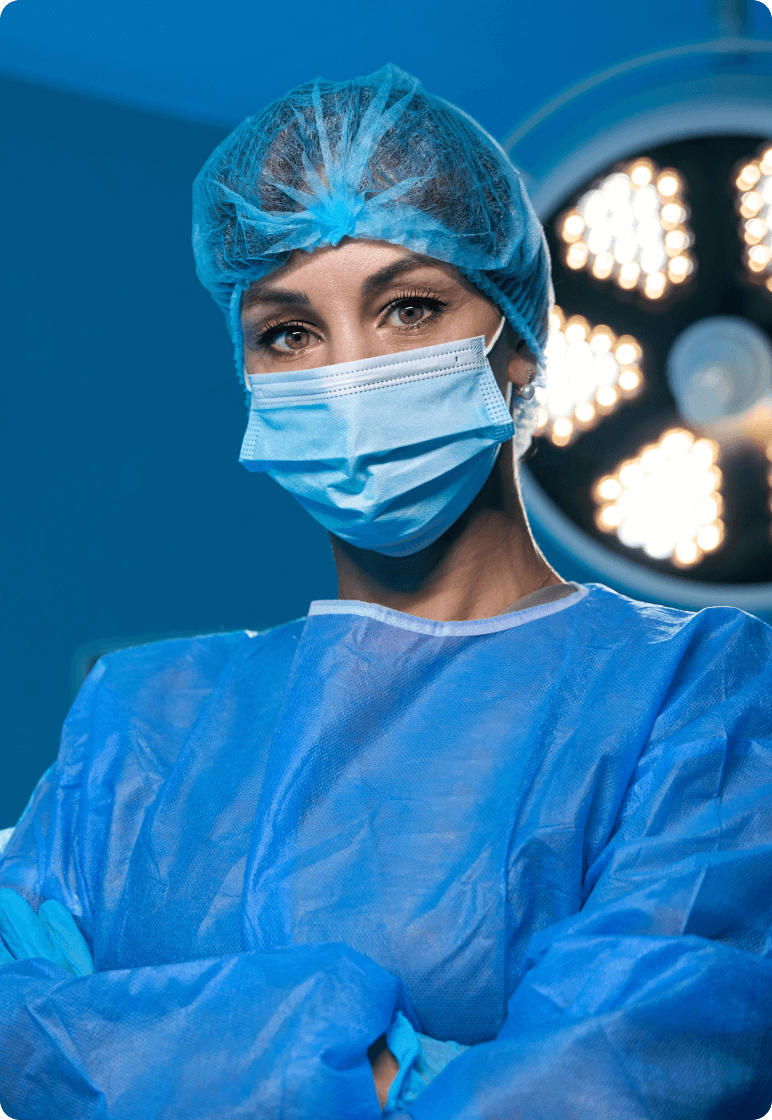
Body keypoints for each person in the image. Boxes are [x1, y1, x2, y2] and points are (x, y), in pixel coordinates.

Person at [1, 64, 771, 1120]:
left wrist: (183, 1051)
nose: (348, 373)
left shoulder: (694, 691)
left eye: (409, 308)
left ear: (518, 343)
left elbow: (622, 1072)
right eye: (288, 332)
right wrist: (352, 1058)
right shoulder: (142, 719)